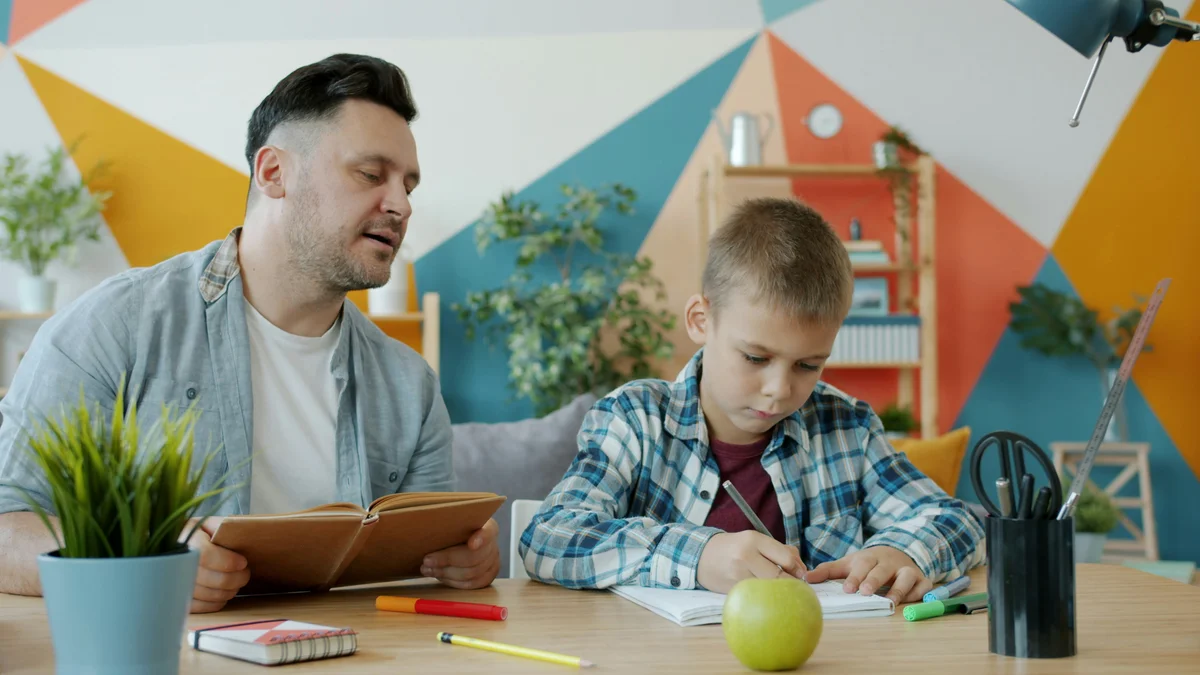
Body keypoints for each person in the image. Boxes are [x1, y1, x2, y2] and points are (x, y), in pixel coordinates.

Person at [0, 53, 499, 611]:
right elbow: (5, 531)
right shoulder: (113, 325)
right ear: (273, 173)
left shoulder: (410, 382)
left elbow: (429, 556)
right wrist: (140, 560)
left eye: (408, 184)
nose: (402, 205)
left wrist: (461, 560)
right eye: (370, 174)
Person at [518, 197, 985, 605]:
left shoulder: (847, 428)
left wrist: (903, 550)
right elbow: (549, 538)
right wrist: (697, 554)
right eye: (756, 357)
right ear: (701, 320)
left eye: (808, 365)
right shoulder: (634, 420)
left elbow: (955, 519)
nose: (780, 389)